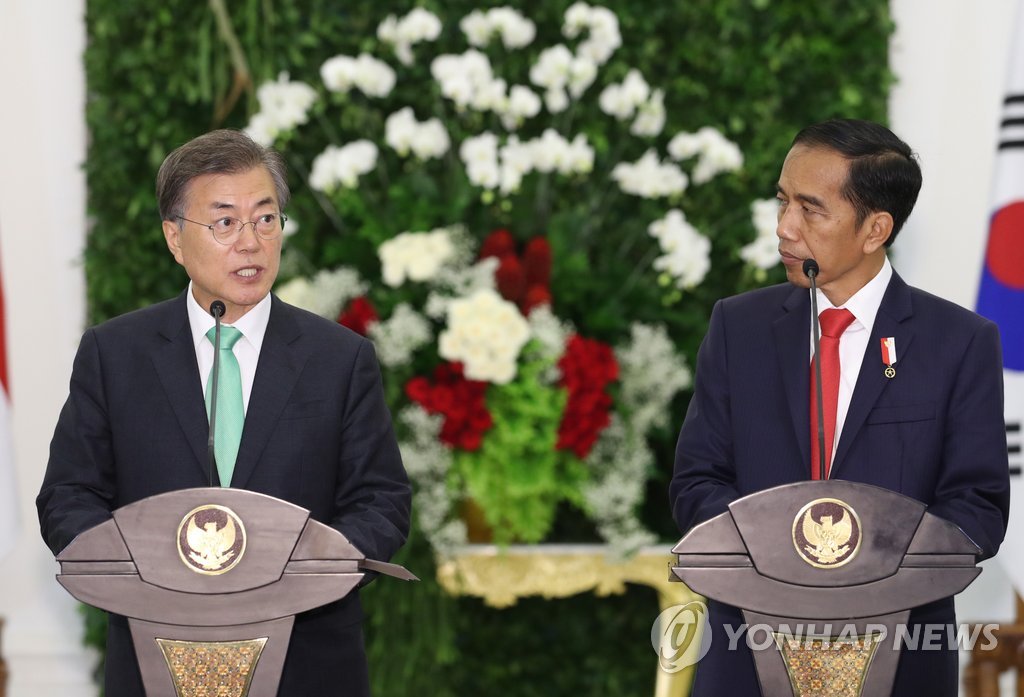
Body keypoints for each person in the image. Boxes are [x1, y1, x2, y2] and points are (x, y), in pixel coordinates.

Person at [37, 129, 411, 697]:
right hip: (155, 654)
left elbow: (381, 500)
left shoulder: (339, 359)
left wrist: (302, 570)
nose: (251, 242)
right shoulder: (115, 355)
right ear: (175, 238)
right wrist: (144, 573)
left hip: (307, 663)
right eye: (225, 222)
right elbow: (68, 495)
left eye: (266, 219)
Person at [670, 119, 1009, 696]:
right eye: (783, 202)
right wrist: (780, 555)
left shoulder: (957, 342)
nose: (785, 227)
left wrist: (864, 568)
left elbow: (977, 508)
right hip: (746, 652)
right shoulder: (739, 328)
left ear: (876, 228)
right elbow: (696, 483)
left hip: (902, 655)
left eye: (811, 209)